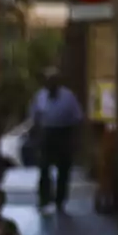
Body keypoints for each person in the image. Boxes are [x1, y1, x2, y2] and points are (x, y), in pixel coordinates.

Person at [29, 68, 84, 214]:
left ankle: (60, 200)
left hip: (64, 133)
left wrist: (76, 139)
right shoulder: (40, 96)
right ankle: (44, 198)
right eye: (48, 82)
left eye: (53, 81)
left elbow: (78, 117)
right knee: (44, 167)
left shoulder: (68, 96)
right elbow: (35, 116)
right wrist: (36, 136)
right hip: (47, 133)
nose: (50, 84)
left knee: (63, 169)